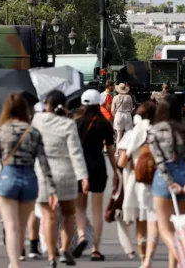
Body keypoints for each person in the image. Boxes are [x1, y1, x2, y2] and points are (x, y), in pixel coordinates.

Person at [0, 94, 57, 268]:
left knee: (10, 225)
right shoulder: (33, 132)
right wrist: (52, 189)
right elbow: (44, 163)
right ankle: (20, 255)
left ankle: (14, 264)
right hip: (29, 178)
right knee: (22, 226)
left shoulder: (0, 131)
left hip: (7, 177)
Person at [32, 90, 89, 267]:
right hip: (66, 174)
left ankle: (51, 255)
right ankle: (65, 249)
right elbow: (75, 152)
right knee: (69, 213)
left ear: (47, 105)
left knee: (48, 217)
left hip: (42, 174)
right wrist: (83, 176)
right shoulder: (68, 124)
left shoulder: (37, 121)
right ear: (64, 105)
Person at [147, 98, 185, 268]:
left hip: (164, 179)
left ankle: (184, 260)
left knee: (165, 229)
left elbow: (158, 160)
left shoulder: (154, 131)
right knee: (181, 228)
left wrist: (169, 181)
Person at [73, 89, 120, 261]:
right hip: (98, 166)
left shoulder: (75, 123)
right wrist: (116, 171)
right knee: (97, 209)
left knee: (79, 207)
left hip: (80, 168)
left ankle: (82, 236)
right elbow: (110, 149)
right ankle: (96, 249)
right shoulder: (103, 123)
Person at [117, 102, 159, 268]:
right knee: (154, 222)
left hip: (137, 182)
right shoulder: (159, 133)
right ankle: (149, 258)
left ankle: (143, 259)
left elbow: (121, 162)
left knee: (141, 224)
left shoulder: (132, 134)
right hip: (157, 182)